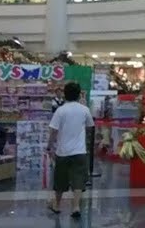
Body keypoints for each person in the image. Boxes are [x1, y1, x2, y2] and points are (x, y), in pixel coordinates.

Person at [47, 81, 95, 218]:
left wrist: (49, 146)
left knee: (60, 180)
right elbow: (90, 127)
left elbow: (53, 131)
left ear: (65, 94)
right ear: (79, 94)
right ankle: (76, 206)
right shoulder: (84, 109)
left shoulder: (60, 110)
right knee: (78, 180)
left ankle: (56, 205)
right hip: (80, 151)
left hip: (63, 151)